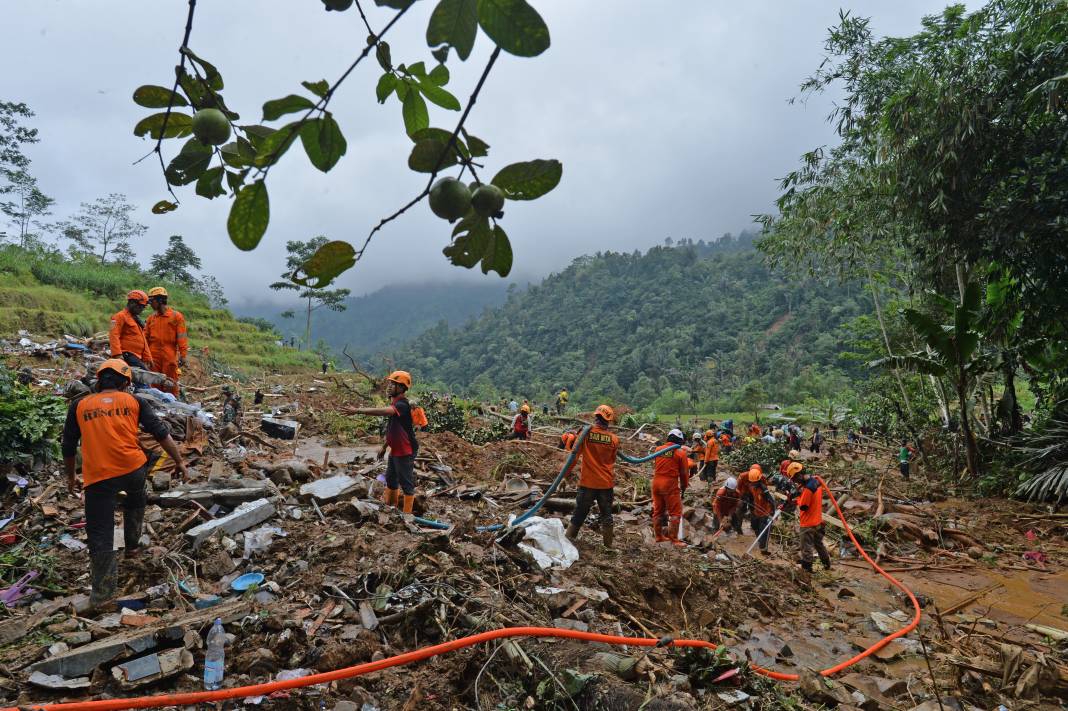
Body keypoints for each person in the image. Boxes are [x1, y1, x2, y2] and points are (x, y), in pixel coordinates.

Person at [61, 359, 189, 609]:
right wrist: (180, 462)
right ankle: (132, 547)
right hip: (133, 468)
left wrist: (70, 477)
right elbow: (161, 433)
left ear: (99, 382)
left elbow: (68, 445)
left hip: (98, 476)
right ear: (126, 383)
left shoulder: (79, 405)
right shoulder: (134, 401)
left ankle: (102, 594)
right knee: (135, 499)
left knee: (100, 530)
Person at [352, 371, 419, 513]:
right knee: (390, 478)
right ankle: (391, 507)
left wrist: (359, 410)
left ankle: (408, 515)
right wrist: (384, 447)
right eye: (390, 383)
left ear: (402, 388)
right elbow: (392, 430)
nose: (389, 387)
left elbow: (384, 411)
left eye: (393, 384)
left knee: (406, 483)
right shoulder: (395, 403)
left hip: (405, 450)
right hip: (396, 449)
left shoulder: (402, 405)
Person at [564, 405, 620, 548]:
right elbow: (612, 460)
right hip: (606, 484)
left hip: (588, 483)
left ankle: (567, 542)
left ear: (596, 417)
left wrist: (565, 475)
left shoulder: (586, 433)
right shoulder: (614, 439)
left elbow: (574, 456)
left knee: (579, 514)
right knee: (607, 516)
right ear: (609, 421)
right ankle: (608, 547)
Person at [144, 287, 188, 398]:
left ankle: (173, 405)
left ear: (160, 300)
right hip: (153, 354)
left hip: (169, 354)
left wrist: (183, 355)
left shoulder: (176, 316)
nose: (150, 304)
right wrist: (144, 355)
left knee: (170, 381)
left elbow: (182, 337)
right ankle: (157, 404)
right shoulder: (151, 318)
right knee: (154, 381)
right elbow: (145, 338)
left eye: (152, 301)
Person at [651, 429, 690, 546]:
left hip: (656, 482)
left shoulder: (658, 450)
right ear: (679, 440)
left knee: (658, 511)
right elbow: (684, 473)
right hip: (669, 484)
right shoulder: (680, 453)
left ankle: (658, 536)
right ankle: (674, 539)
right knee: (675, 513)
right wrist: (684, 486)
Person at [794, 463, 831, 572]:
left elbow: (804, 507)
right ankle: (826, 563)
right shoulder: (816, 482)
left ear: (800, 475)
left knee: (806, 547)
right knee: (818, 544)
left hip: (808, 524)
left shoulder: (808, 489)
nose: (796, 482)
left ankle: (807, 569)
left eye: (796, 479)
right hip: (818, 521)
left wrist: (797, 499)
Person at [109, 290, 153, 370]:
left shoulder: (136, 320)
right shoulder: (119, 316)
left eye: (143, 307)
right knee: (144, 377)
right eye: (140, 307)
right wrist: (117, 354)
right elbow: (113, 335)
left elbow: (143, 341)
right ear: (132, 303)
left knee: (147, 376)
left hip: (136, 356)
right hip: (127, 354)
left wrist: (148, 357)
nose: (141, 310)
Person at [744, 465, 775, 555]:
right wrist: (750, 507)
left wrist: (772, 514)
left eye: (754, 483)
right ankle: (760, 541)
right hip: (756, 511)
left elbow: (771, 501)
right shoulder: (751, 486)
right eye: (752, 483)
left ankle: (764, 549)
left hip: (765, 512)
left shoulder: (763, 488)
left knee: (764, 531)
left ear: (758, 480)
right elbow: (750, 497)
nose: (753, 484)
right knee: (755, 527)